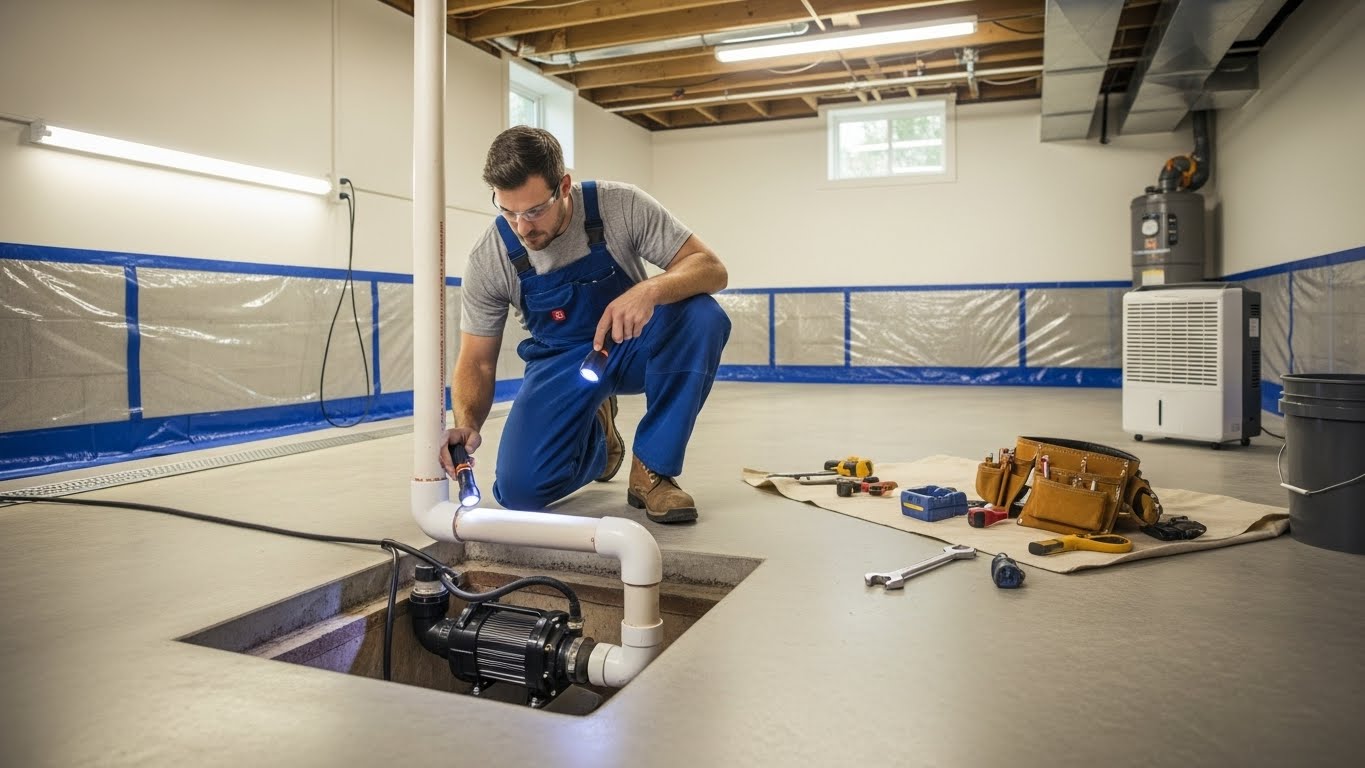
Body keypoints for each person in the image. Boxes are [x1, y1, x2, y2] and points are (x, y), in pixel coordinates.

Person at [439, 126, 730, 524]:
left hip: (632, 344)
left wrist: (650, 291)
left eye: (535, 211)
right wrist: (467, 424)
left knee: (703, 316)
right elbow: (477, 361)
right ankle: (597, 438)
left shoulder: (619, 205)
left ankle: (652, 473)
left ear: (563, 186)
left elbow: (711, 268)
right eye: (508, 211)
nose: (522, 227)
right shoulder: (490, 257)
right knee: (519, 492)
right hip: (560, 363)